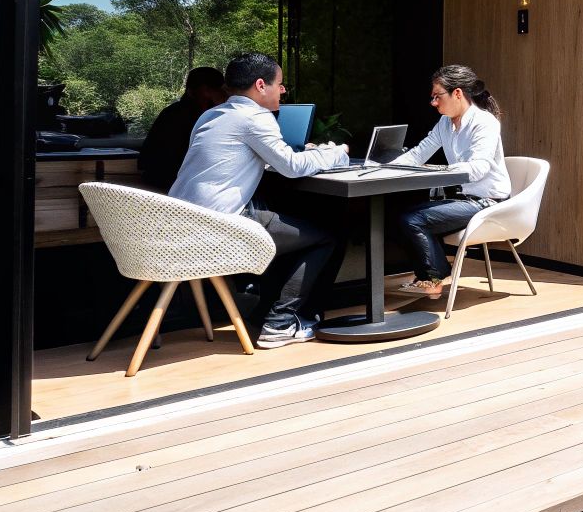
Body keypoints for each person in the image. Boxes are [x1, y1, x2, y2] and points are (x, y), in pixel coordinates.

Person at [168, 53, 350, 348]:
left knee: (289, 227)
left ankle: (265, 310)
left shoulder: (211, 115)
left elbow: (234, 158)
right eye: (280, 84)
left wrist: (294, 155)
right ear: (261, 85)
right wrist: (336, 153)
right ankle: (281, 322)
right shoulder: (255, 117)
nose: (283, 90)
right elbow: (292, 167)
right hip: (219, 228)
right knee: (327, 237)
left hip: (179, 226)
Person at [387, 65, 513, 300]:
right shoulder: (445, 123)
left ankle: (433, 280)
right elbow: (419, 153)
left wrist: (442, 171)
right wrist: (386, 168)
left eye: (437, 96)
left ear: (457, 93)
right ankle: (431, 276)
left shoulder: (484, 123)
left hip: (489, 203)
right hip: (463, 200)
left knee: (413, 219)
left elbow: (478, 168)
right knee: (396, 215)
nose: (433, 103)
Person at [138, 66, 229, 192]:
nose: (222, 97)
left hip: (164, 182)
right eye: (209, 91)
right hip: (173, 185)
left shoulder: (173, 112)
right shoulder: (187, 117)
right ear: (193, 91)